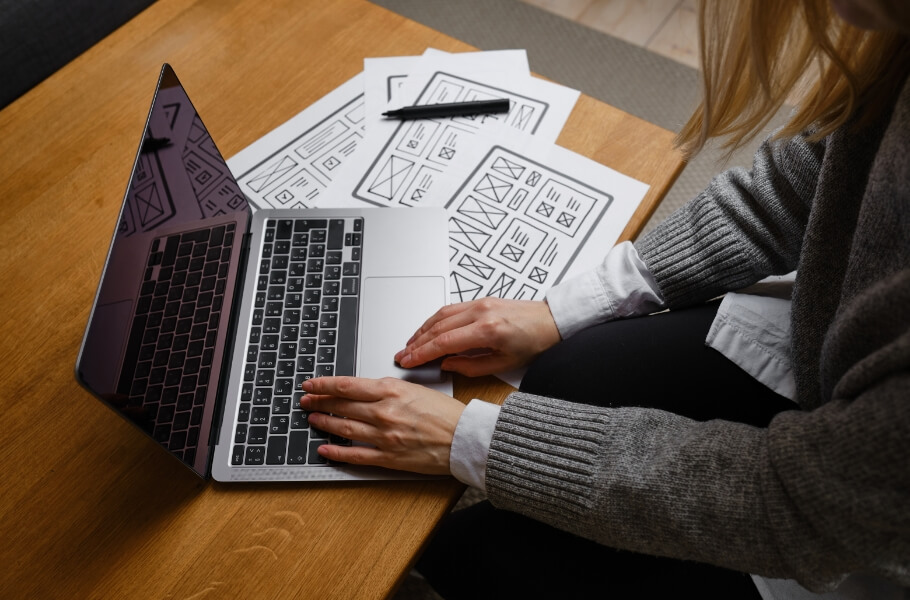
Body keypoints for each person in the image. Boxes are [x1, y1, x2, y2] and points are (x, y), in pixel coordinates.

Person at [299, 0, 910, 597]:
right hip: (830, 368)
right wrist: (565, 309)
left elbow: (797, 504)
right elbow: (797, 189)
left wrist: (471, 441)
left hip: (854, 530)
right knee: (564, 373)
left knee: (478, 554)